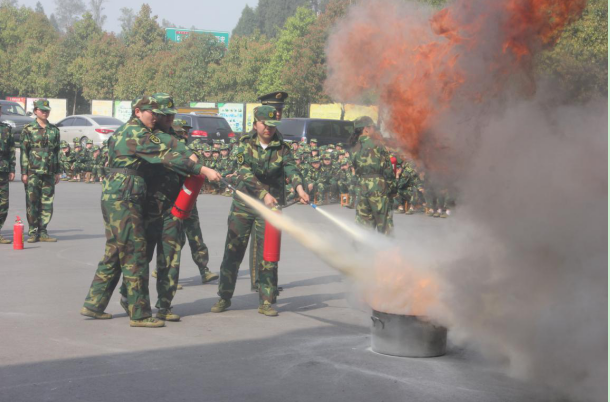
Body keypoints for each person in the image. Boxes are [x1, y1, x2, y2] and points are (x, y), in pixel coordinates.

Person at [81, 95, 218, 328]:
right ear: (137, 112)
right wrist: (201, 168)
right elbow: (166, 156)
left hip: (123, 194)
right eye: (152, 113)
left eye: (159, 114)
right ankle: (140, 313)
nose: (155, 118)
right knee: (135, 252)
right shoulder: (136, 133)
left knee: (116, 250)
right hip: (125, 195)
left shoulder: (139, 131)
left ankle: (94, 303)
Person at [212, 106, 309, 317]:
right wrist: (264, 194)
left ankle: (266, 300)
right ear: (255, 124)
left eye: (272, 126)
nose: (268, 129)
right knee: (233, 252)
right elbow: (245, 172)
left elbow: (291, 169)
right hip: (244, 205)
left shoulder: (282, 148)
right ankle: (224, 297)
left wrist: (299, 188)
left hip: (269, 208)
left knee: (269, 255)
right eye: (264, 124)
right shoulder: (244, 145)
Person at [20, 99, 61, 242]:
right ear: (35, 111)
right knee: (32, 201)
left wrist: (57, 171)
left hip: (49, 171)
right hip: (33, 171)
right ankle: (33, 232)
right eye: (42, 110)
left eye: (47, 110)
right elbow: (24, 151)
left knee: (47, 202)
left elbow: (57, 152)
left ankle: (43, 231)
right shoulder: (28, 129)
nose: (45, 112)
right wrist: (24, 172)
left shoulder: (54, 130)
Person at [349, 116, 395, 235]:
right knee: (384, 224)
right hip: (378, 186)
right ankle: (388, 251)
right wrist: (392, 189)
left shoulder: (354, 148)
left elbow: (356, 171)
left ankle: (361, 252)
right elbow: (388, 170)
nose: (374, 130)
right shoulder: (377, 144)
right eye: (373, 127)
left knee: (363, 224)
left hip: (362, 187)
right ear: (366, 129)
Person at [0, 105, 15, 244]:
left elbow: (11, 150)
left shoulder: (6, 129)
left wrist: (12, 169)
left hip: (2, 170)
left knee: (3, 203)